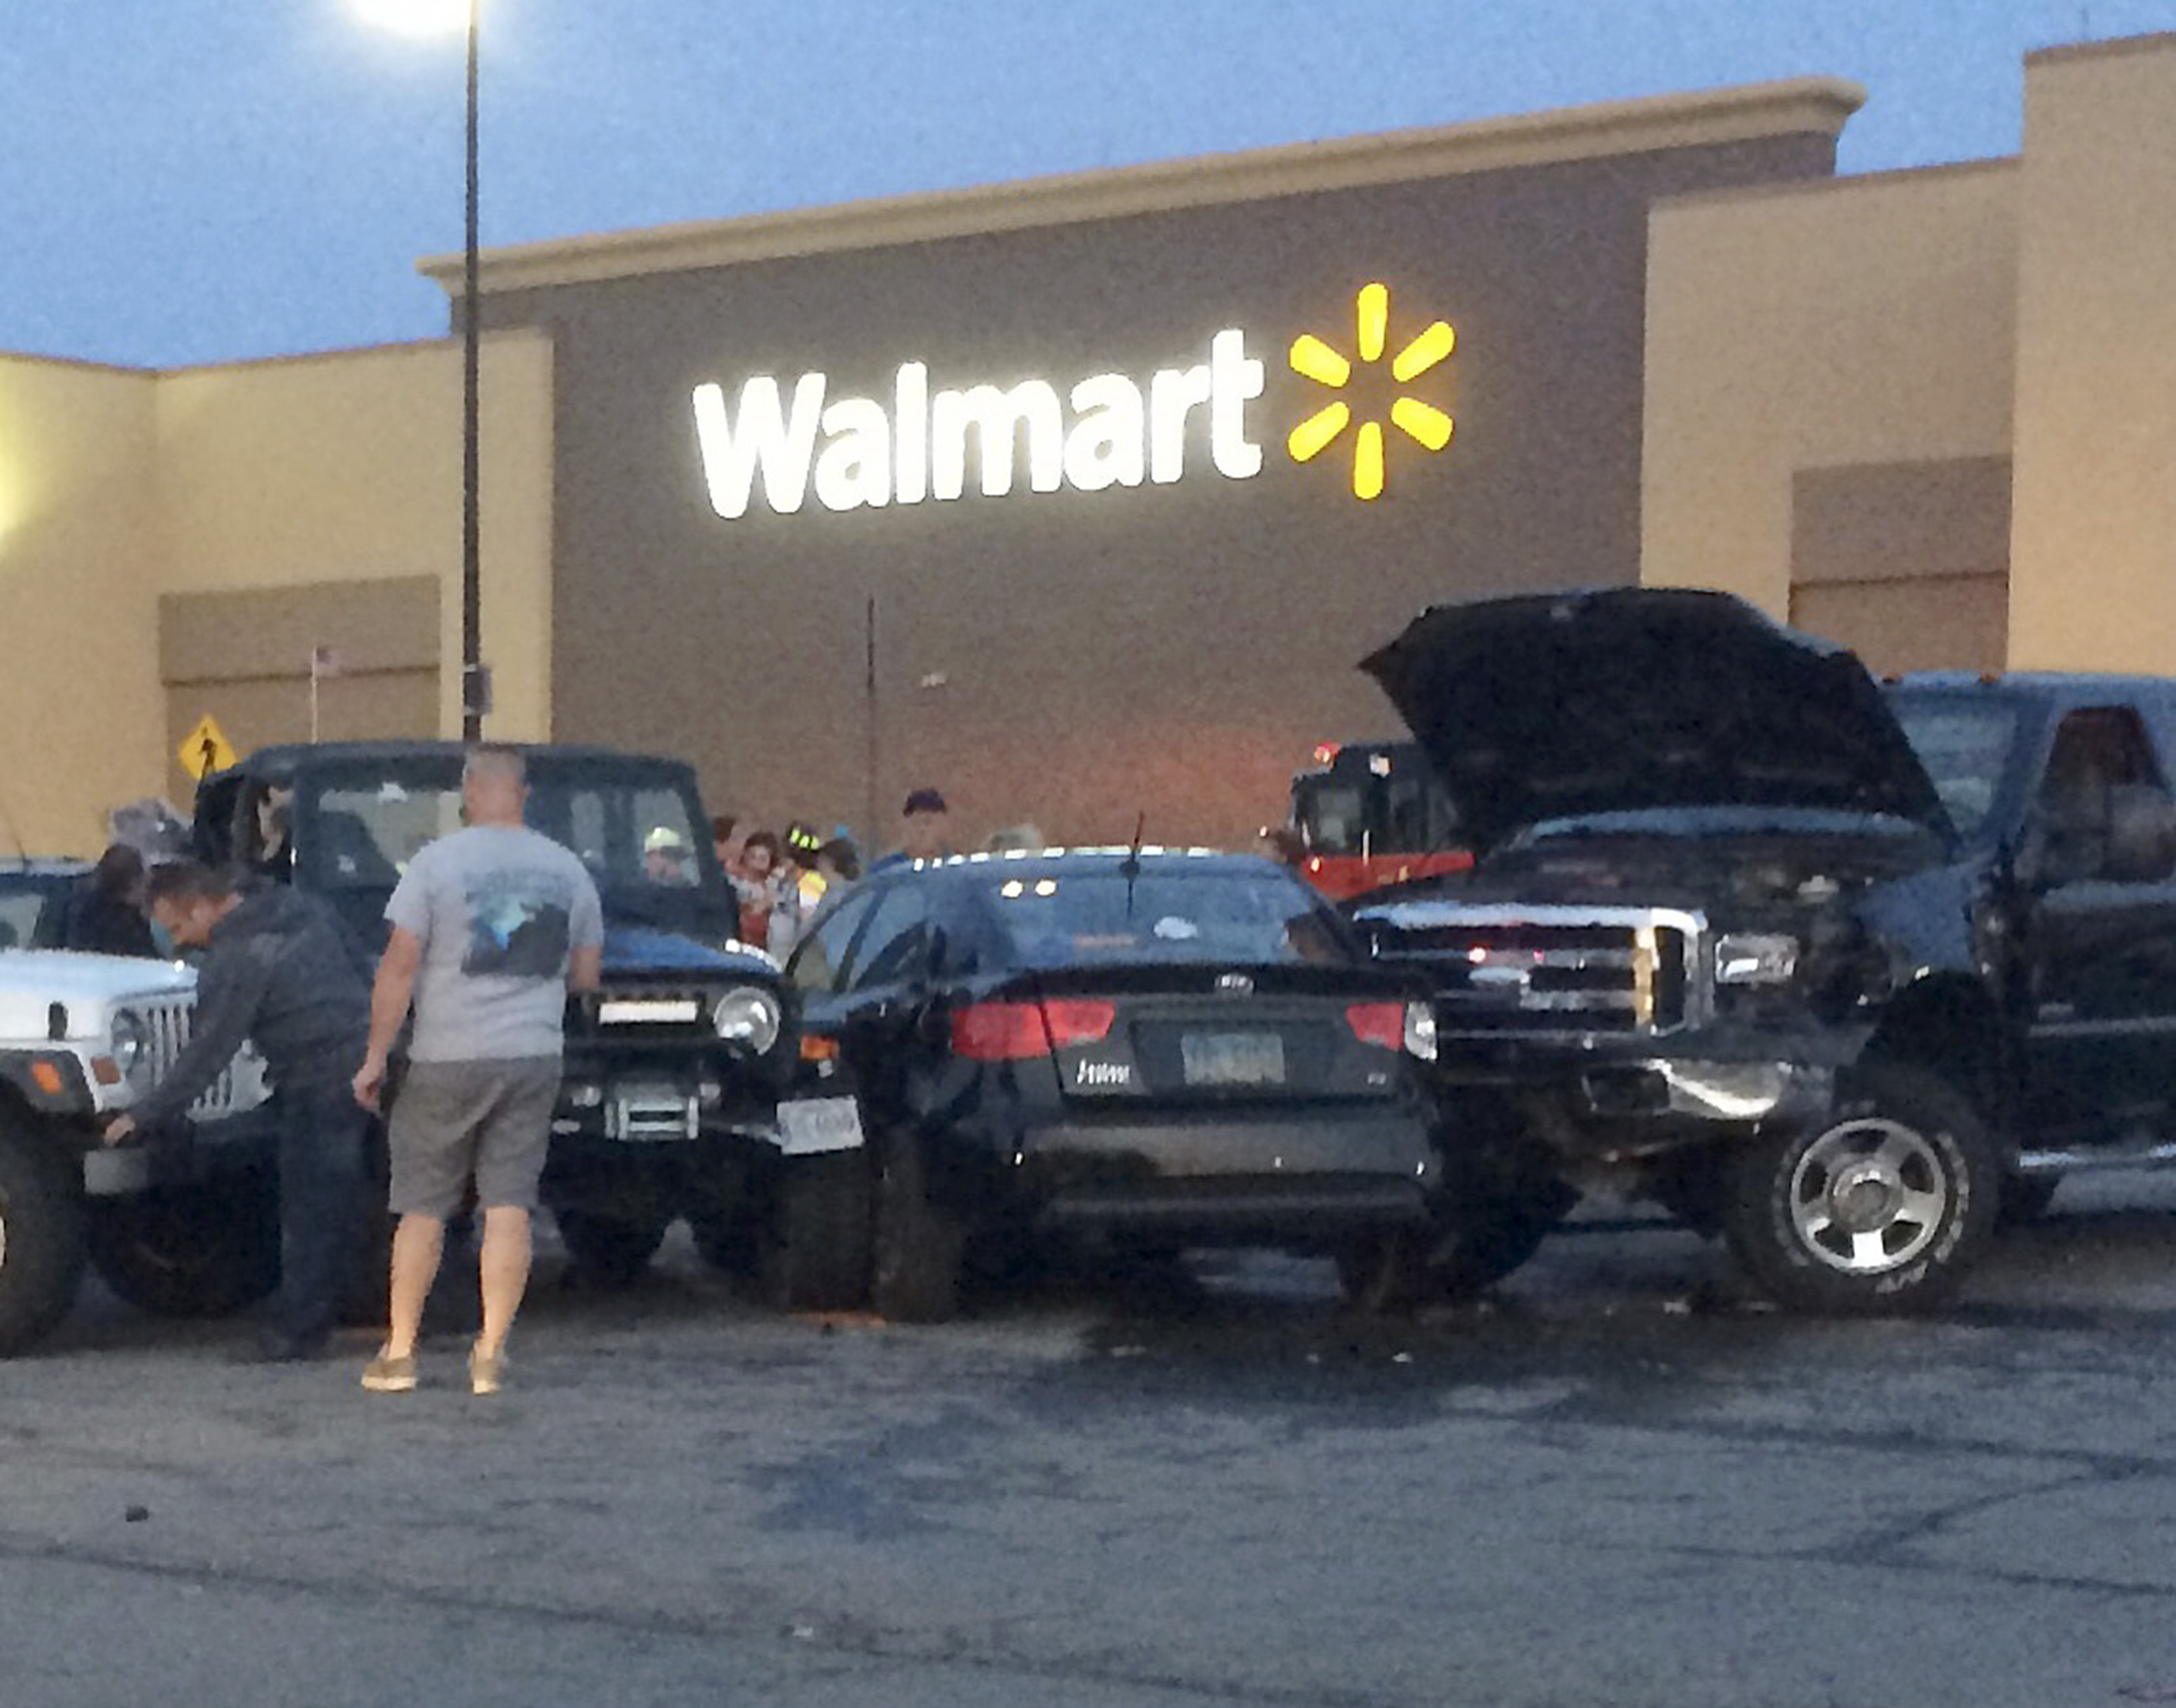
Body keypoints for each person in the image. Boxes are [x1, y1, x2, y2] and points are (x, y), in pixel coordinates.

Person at [352, 745, 604, 1396]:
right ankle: (490, 1353)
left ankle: (401, 1350)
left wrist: (377, 1056)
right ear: (523, 793)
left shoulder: (436, 865)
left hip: (446, 1055)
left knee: (423, 1208)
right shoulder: (569, 871)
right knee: (509, 1206)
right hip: (532, 1054)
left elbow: (399, 967)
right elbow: (585, 976)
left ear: (469, 793)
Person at [101, 861, 374, 1362]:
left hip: (316, 1078)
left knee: (308, 1209)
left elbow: (208, 1052)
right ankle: (420, 1306)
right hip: (369, 1064)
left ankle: (299, 1332)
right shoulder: (303, 908)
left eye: (180, 927)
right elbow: (364, 972)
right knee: (363, 1198)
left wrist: (145, 1115)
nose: (179, 942)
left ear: (204, 904)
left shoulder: (238, 956)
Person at [60, 844, 159, 957]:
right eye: (143, 878)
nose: (148, 883)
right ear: (129, 887)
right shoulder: (127, 928)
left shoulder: (82, 913)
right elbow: (148, 961)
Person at [868, 788, 955, 874]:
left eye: (928, 822)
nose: (922, 829)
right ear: (904, 826)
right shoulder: (886, 871)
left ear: (943, 827)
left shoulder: (954, 870)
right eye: (916, 823)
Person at [731, 829, 783, 948]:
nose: (755, 863)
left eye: (762, 859)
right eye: (752, 857)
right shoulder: (734, 881)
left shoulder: (775, 885)